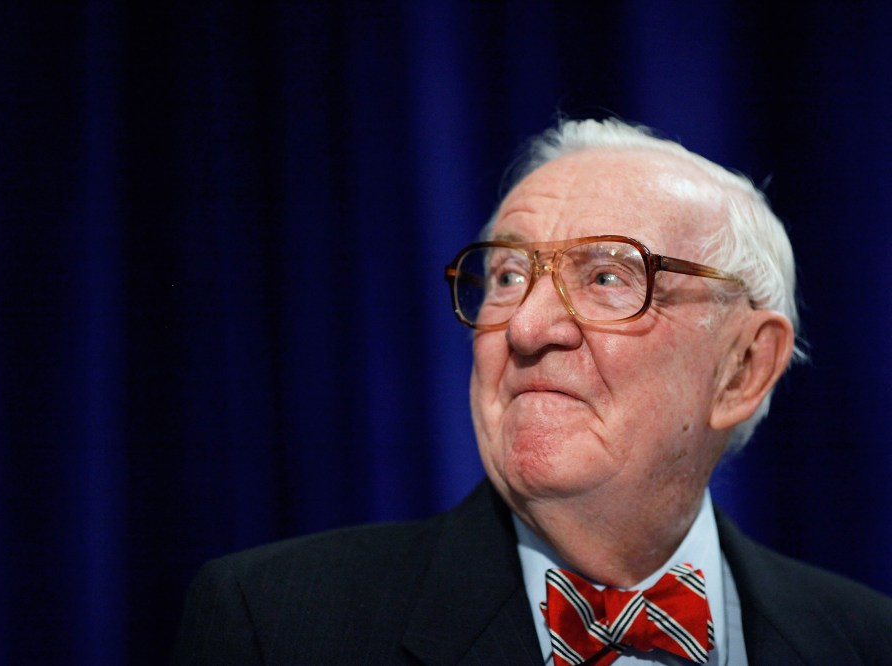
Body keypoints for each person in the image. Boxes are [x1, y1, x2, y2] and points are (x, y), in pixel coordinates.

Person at [173, 117, 892, 665]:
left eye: (606, 277)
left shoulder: (865, 641)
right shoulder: (277, 626)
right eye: (509, 276)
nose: (527, 327)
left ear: (741, 368)